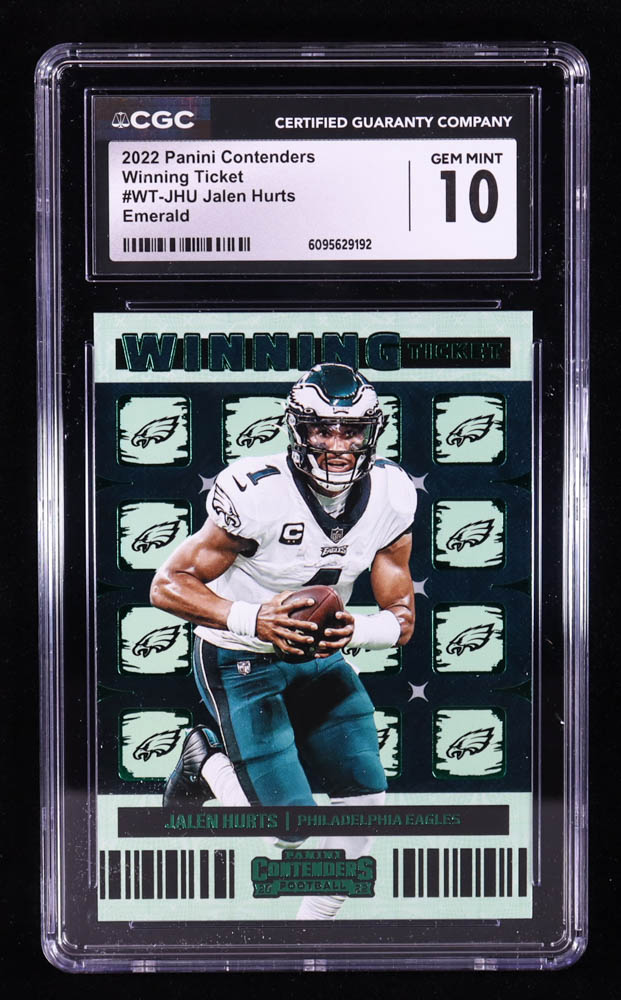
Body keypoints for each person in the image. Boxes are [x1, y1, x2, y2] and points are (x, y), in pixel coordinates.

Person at [150, 363, 417, 919]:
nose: (337, 446)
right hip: (240, 656)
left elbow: (401, 616)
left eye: (351, 430)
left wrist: (359, 630)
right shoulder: (258, 493)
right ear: (297, 428)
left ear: (372, 432)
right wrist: (252, 618)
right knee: (287, 830)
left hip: (319, 659)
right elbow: (167, 584)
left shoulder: (392, 493)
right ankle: (204, 757)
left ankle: (310, 935)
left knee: (366, 803)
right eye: (322, 429)